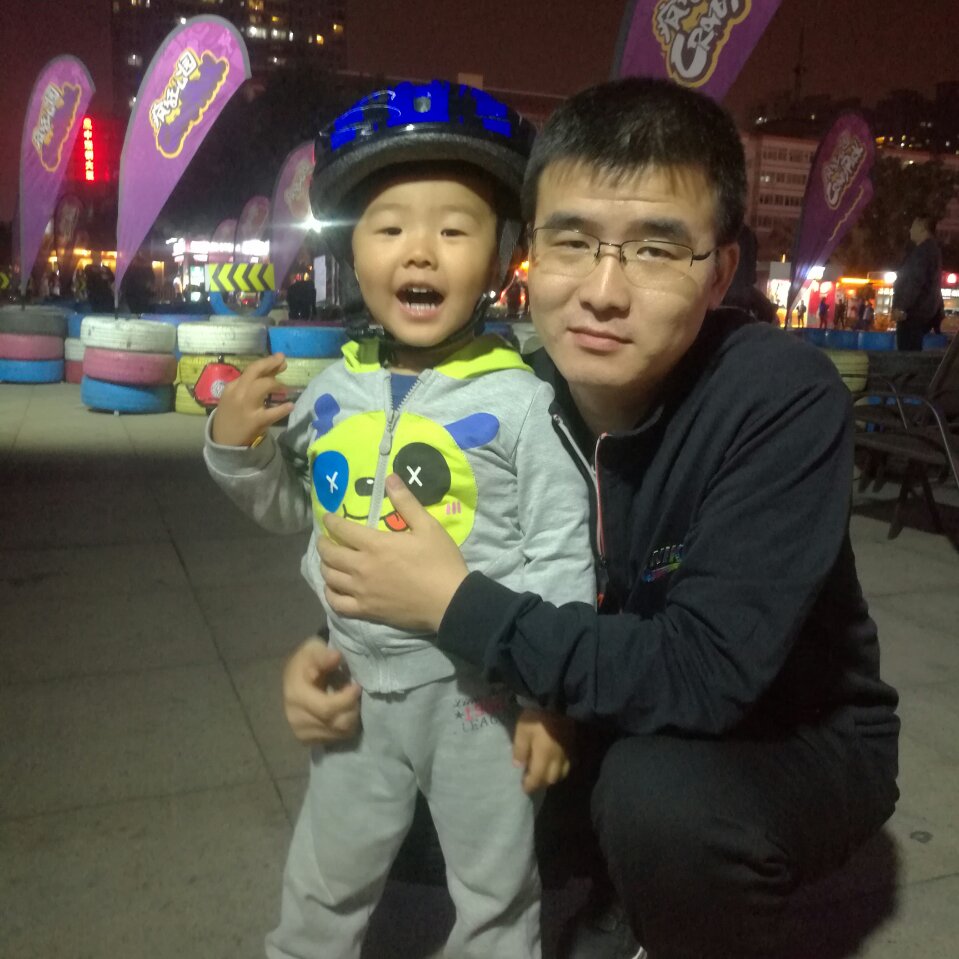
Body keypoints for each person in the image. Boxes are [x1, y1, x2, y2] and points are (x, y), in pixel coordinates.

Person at [283, 77, 901, 959]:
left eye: (654, 248)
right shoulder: (512, 397)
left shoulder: (777, 399)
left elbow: (707, 670)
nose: (603, 292)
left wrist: (457, 608)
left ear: (720, 270)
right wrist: (338, 644)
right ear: (526, 250)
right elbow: (425, 553)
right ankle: (605, 858)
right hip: (588, 696)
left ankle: (657, 894)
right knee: (401, 789)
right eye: (571, 241)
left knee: (662, 805)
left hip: (782, 735)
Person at [204, 80, 595, 959]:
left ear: (502, 257)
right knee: (325, 873)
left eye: (454, 231)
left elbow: (560, 555)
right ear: (351, 253)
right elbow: (290, 508)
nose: (419, 250)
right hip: (354, 684)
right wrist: (236, 449)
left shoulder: (523, 404)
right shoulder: (333, 389)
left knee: (495, 887)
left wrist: (548, 700)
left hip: (477, 697)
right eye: (388, 229)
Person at [892, 214, 943, 350]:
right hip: (922, 313)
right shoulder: (933, 250)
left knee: (907, 354)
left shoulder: (922, 252)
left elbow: (914, 281)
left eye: (913, 226)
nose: (910, 230)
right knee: (913, 352)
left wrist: (901, 307)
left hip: (912, 314)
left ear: (922, 227)